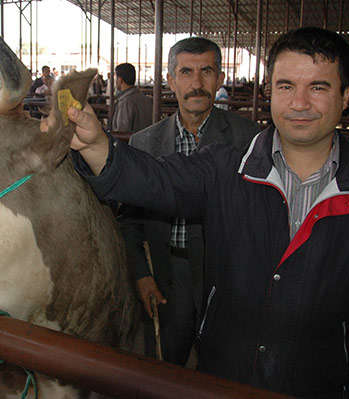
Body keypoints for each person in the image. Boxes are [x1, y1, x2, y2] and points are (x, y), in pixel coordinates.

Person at [59, 27, 349, 397]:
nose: (300, 103)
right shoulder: (227, 168)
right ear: (270, 90)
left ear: (345, 94)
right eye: (286, 86)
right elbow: (156, 180)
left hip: (313, 381)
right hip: (225, 376)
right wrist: (96, 146)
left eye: (318, 87)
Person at [119, 38, 259, 366]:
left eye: (206, 71)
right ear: (170, 81)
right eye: (186, 72)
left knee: (224, 370)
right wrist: (141, 273)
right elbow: (128, 219)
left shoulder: (249, 140)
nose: (196, 83)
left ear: (220, 78)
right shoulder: (146, 142)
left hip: (227, 275)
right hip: (167, 275)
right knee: (163, 370)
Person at [110, 63, 153, 133]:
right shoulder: (144, 98)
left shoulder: (126, 102)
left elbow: (122, 131)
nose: (115, 81)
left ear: (120, 80)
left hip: (131, 143)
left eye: (116, 78)